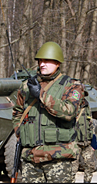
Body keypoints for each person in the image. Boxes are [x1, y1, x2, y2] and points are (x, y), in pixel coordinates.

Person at [12, 41, 85, 183]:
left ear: (57, 63)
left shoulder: (72, 85)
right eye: (40, 61)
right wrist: (20, 132)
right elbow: (17, 112)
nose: (42, 64)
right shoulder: (26, 86)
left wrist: (41, 95)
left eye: (47, 60)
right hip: (31, 158)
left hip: (58, 158)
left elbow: (69, 111)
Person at [71, 97, 95, 183]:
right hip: (75, 143)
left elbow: (91, 124)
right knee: (72, 168)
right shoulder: (71, 106)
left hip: (87, 142)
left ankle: (87, 181)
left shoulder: (87, 106)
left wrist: (93, 143)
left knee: (90, 165)